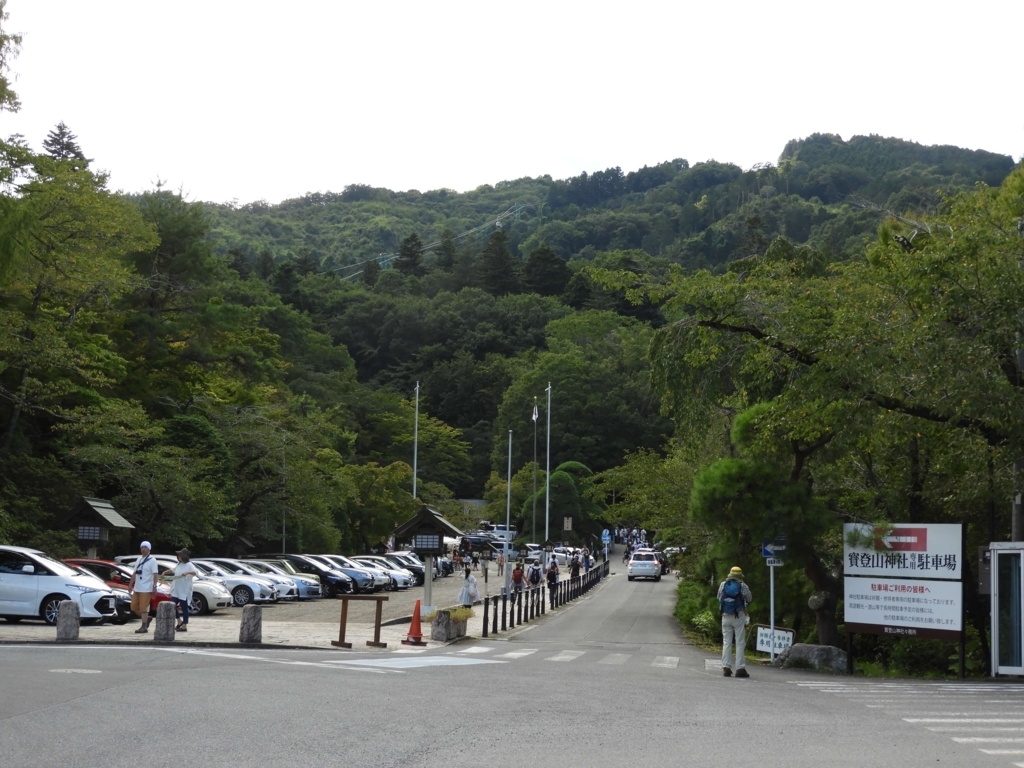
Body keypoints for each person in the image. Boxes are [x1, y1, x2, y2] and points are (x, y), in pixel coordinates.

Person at [718, 566, 753, 678]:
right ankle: (740, 668)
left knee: (726, 642)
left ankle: (726, 667)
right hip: (738, 616)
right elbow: (749, 599)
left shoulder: (723, 584)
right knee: (740, 642)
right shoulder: (743, 586)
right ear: (740, 576)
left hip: (725, 616)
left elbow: (719, 597)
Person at [164, 547, 198, 632]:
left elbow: (195, 572)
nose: (178, 557)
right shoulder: (179, 564)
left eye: (179, 555)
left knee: (184, 608)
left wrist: (187, 572)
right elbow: (173, 570)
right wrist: (165, 572)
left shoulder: (189, 565)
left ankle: (184, 625)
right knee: (172, 606)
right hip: (176, 590)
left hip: (184, 590)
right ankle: (179, 621)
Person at [128, 541, 159, 634]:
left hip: (146, 587)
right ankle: (147, 618)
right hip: (137, 587)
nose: (143, 549)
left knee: (143, 608)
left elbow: (155, 574)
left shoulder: (152, 560)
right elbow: (135, 573)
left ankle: (144, 626)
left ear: (149, 549)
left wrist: (154, 586)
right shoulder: (139, 559)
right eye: (142, 547)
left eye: (145, 547)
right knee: (133, 606)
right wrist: (130, 584)